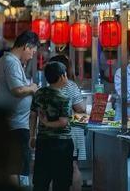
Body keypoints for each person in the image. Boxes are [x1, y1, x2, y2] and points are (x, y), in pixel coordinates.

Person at [0, 31, 39, 186]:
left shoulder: (9, 61)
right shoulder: (11, 62)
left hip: (14, 122)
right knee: (18, 166)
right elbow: (17, 90)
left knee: (16, 165)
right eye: (32, 51)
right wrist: (32, 88)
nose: (32, 55)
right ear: (26, 46)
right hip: (16, 124)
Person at [29, 61, 73, 191]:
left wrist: (32, 136)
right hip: (62, 144)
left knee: (41, 181)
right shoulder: (63, 98)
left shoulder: (39, 93)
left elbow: (33, 115)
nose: (66, 77)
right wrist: (47, 123)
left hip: (43, 142)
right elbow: (63, 122)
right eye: (65, 74)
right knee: (62, 182)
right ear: (61, 77)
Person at [48, 55, 86, 191]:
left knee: (54, 168)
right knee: (73, 166)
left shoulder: (49, 87)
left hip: (52, 132)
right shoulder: (70, 85)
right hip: (71, 133)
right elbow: (80, 108)